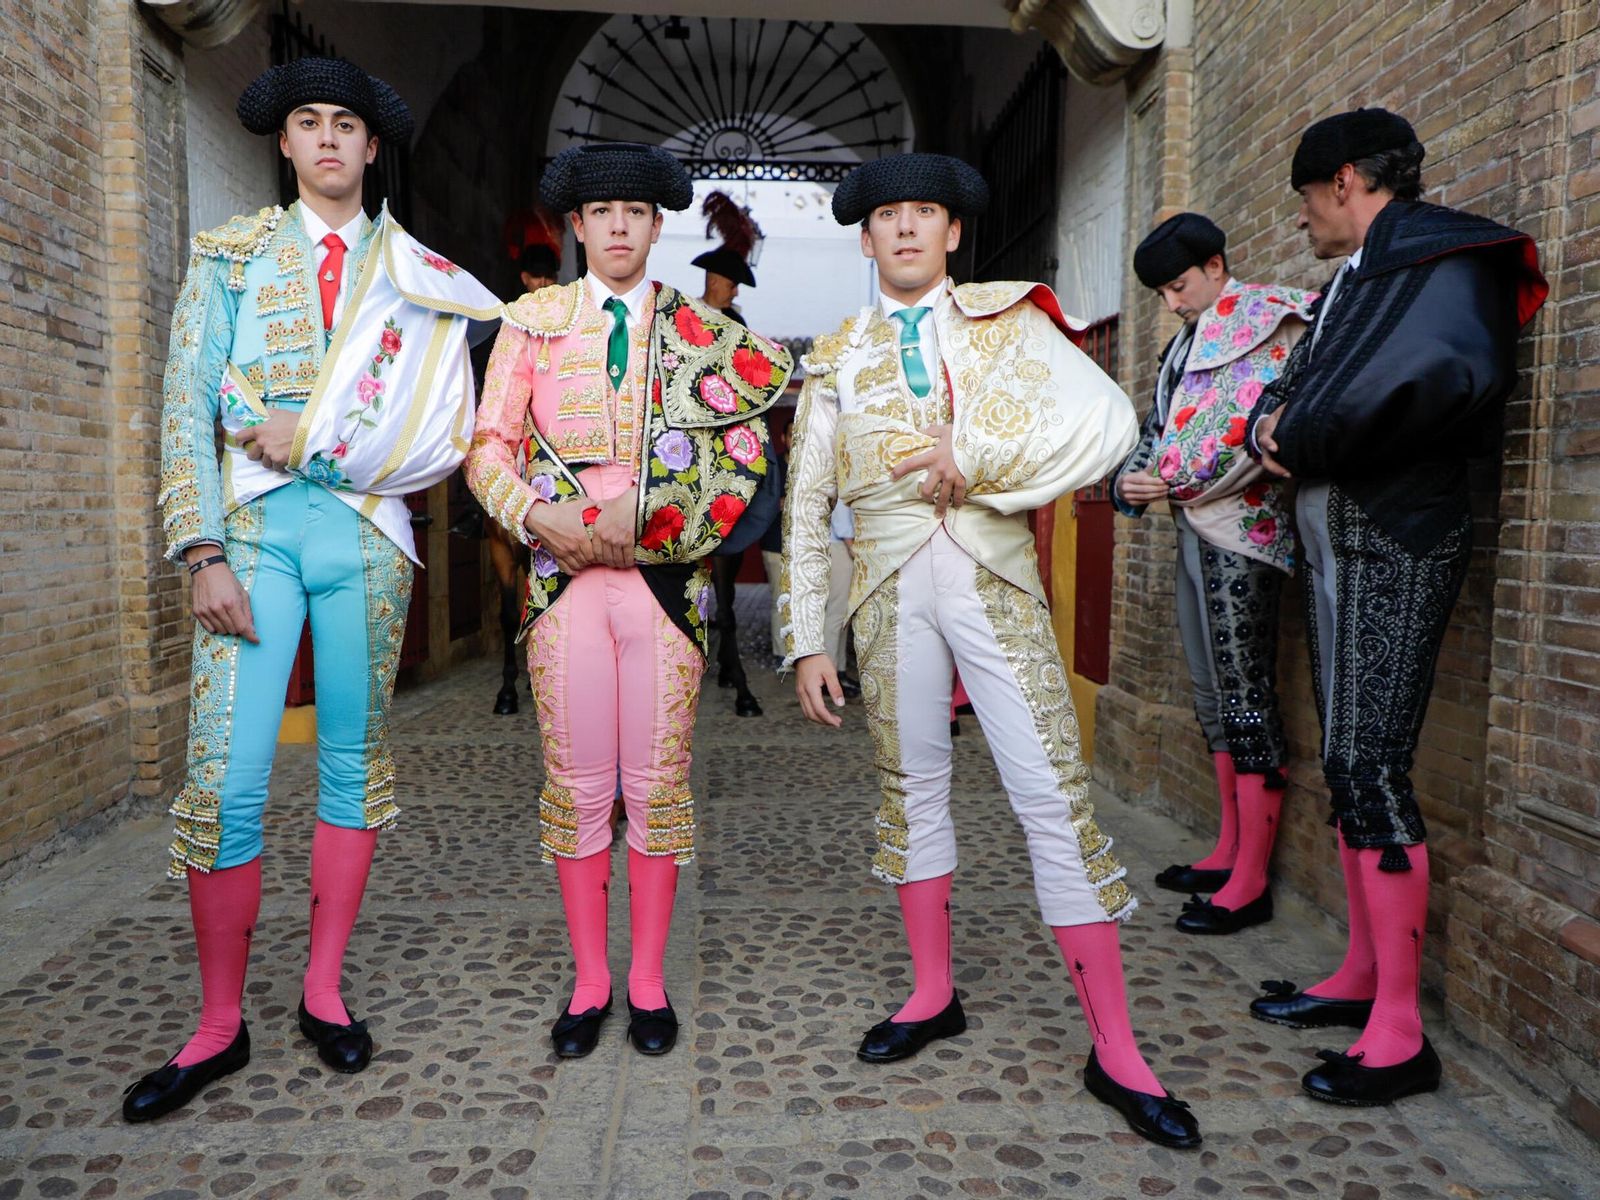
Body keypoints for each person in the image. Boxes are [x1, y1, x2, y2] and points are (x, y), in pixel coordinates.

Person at [781, 153, 1200, 1148]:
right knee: (910, 785)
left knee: (1050, 792)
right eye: (889, 216)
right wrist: (806, 638)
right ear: (867, 237)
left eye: (925, 213)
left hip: (991, 575)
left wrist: (978, 463)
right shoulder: (834, 354)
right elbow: (805, 507)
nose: (908, 229)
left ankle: (1117, 1052)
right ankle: (933, 995)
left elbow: (1104, 423)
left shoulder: (1008, 322)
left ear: (953, 232)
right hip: (884, 589)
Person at [127, 56, 499, 1123]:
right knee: (226, 778)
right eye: (309, 124)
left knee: (351, 763)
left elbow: (443, 439)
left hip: (367, 542)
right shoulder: (230, 258)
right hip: (249, 536)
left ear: (371, 149)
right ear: (283, 145)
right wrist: (198, 553)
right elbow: (185, 405)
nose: (330, 140)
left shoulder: (423, 274)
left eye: (347, 125)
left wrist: (317, 443)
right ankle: (215, 1025)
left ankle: (323, 991)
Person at [1245, 108, 1547, 1105]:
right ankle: (1362, 977)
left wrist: (1302, 433)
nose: (1301, 222)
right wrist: (1272, 423)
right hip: (1348, 533)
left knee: (1369, 765)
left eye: (1302, 202)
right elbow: (1283, 390)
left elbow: (1434, 379)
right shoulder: (1359, 276)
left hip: (1396, 536)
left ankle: (1400, 1033)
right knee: (1348, 758)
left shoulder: (1442, 258)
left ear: (1340, 182)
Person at [466, 142, 791, 1058]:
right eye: (600, 210)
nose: (617, 224)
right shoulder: (531, 321)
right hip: (562, 573)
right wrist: (537, 514)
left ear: (657, 225)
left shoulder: (702, 333)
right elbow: (487, 447)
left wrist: (638, 515)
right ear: (577, 225)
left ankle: (645, 982)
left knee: (656, 785)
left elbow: (736, 461)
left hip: (664, 580)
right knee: (575, 787)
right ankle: (590, 981)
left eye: (635, 211)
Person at [1112, 213, 1316, 935]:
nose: (1172, 303)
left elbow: (1267, 432)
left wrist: (1176, 483)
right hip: (1193, 529)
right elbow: (1158, 432)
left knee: (1247, 691)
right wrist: (1133, 483)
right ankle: (1231, 850)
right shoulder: (1185, 345)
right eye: (1163, 293)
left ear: (1218, 265)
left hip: (1246, 534)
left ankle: (1252, 880)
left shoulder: (1273, 320)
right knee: (1212, 692)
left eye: (1179, 286)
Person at [696, 191, 774, 716]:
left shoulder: (741, 328)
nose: (716, 287)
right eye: (712, 280)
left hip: (729, 441)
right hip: (688, 436)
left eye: (724, 282)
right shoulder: (684, 320)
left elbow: (752, 383)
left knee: (768, 476)